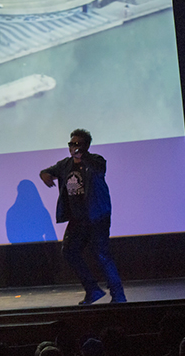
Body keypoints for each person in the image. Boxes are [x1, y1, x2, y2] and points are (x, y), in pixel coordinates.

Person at [39, 128, 126, 305]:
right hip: (78, 219)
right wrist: (45, 175)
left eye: (77, 144)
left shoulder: (96, 161)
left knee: (102, 254)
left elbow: (98, 168)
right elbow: (47, 171)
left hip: (97, 217)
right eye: (71, 144)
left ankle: (118, 295)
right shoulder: (65, 164)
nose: (73, 147)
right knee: (69, 251)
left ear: (86, 146)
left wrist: (82, 156)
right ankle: (93, 290)